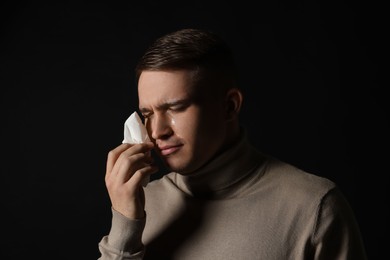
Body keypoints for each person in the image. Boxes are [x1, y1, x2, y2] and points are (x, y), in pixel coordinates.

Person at [98, 28, 367, 259]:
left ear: (229, 106)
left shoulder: (314, 208)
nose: (157, 130)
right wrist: (124, 228)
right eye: (147, 114)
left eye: (176, 108)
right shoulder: (141, 205)